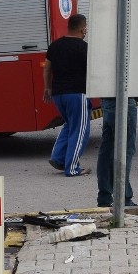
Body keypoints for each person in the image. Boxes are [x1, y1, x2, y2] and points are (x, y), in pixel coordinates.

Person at [44, 13, 90, 176]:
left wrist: (47, 88)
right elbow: (93, 71)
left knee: (69, 125)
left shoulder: (55, 46)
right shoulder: (84, 48)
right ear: (82, 29)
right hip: (77, 94)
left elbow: (47, 68)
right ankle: (72, 168)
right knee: (80, 130)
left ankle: (58, 158)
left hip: (58, 95)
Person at [95, 96, 138, 208]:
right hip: (123, 99)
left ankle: (105, 197)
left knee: (107, 151)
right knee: (125, 150)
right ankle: (123, 197)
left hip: (107, 100)